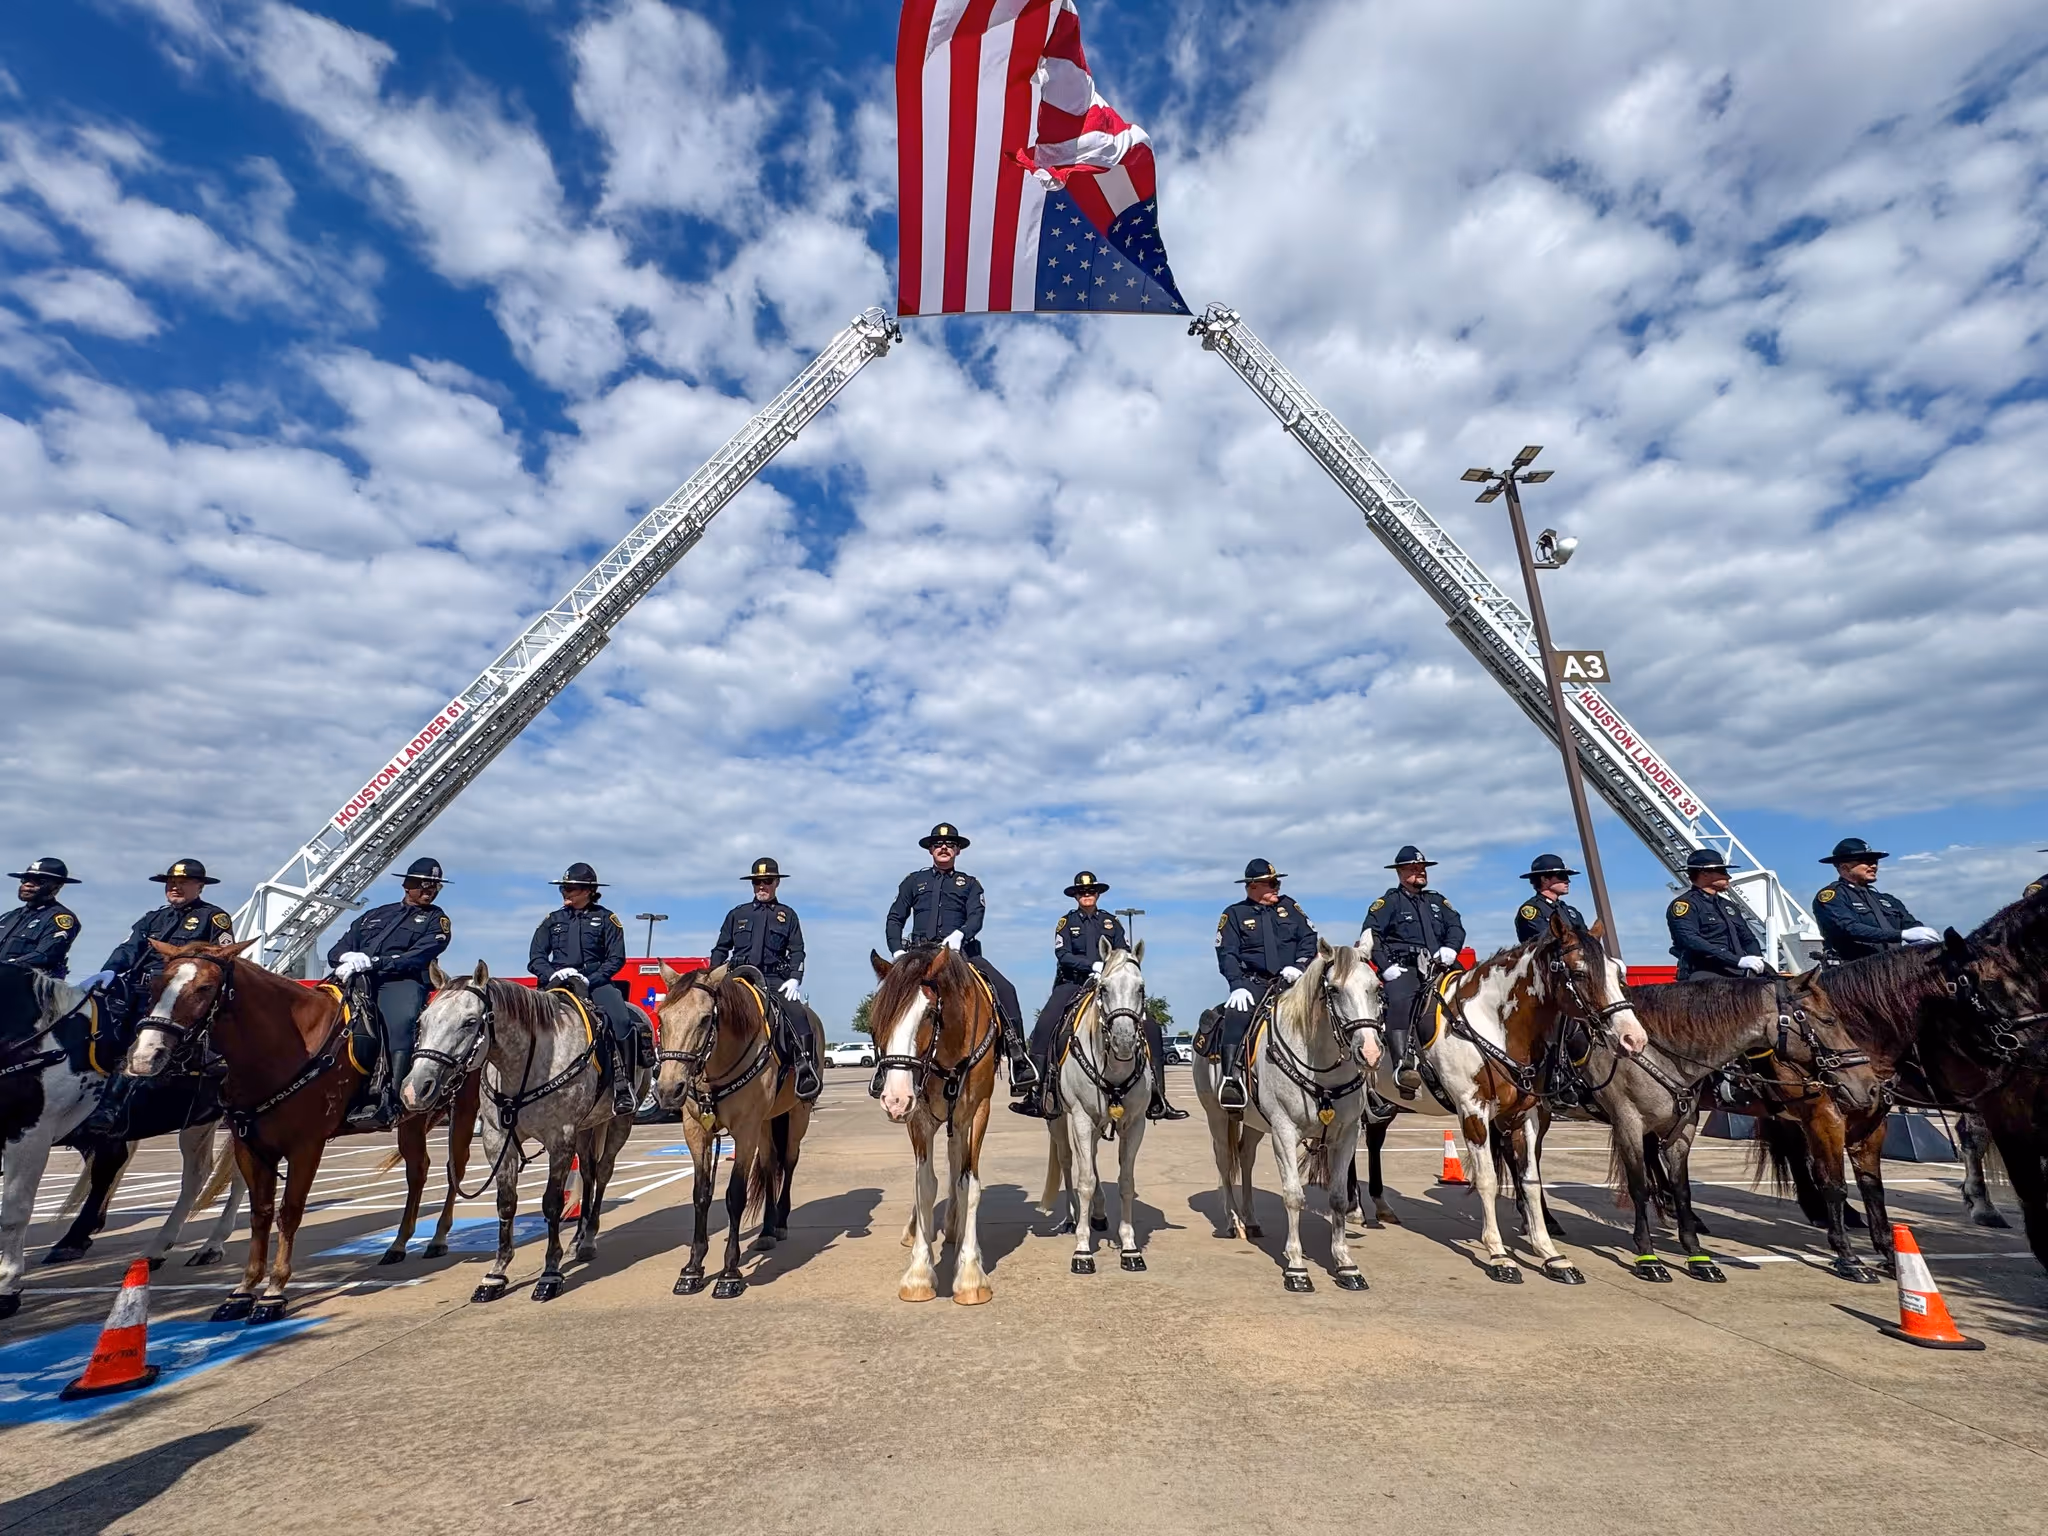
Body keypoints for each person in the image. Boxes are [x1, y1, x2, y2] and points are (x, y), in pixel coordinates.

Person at [74, 859, 236, 1138]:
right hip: (138, 990)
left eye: (182, 883)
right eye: (171, 883)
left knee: (141, 1041)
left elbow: (219, 959)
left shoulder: (214, 918)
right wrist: (110, 970)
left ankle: (109, 1109)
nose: (174, 887)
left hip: (177, 995)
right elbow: (129, 947)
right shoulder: (153, 918)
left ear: (200, 886)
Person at [1013, 872, 1185, 1122]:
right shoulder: (1066, 922)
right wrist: (1091, 966)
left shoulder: (1111, 922)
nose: (1087, 895)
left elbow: (1124, 952)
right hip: (1073, 983)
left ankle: (1158, 1096)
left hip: (1109, 984)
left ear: (1098, 894)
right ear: (1075, 895)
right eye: (1082, 892)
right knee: (1045, 1025)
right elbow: (1062, 955)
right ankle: (1036, 1094)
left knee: (1151, 1028)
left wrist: (1113, 971)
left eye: (1091, 891)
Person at [884, 823, 1036, 1092]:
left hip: (961, 954)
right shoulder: (913, 882)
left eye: (950, 845)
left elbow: (977, 916)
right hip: (921, 957)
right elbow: (896, 916)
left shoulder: (970, 884)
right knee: (889, 999)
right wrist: (896, 950)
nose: (944, 848)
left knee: (1006, 990)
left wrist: (960, 934)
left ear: (957, 851)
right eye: (938, 844)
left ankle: (1017, 1057)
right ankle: (883, 1066)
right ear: (931, 850)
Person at [328, 857, 452, 1127]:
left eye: (434, 886)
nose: (429, 890)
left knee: (402, 1022)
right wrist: (345, 957)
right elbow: (337, 949)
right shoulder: (374, 915)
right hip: (357, 978)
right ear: (407, 885)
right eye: (423, 884)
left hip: (401, 981)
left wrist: (376, 962)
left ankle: (393, 1099)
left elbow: (419, 956)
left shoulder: (437, 921)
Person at [529, 863, 643, 1117]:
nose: (565, 893)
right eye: (563, 888)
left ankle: (623, 1086)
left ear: (589, 891)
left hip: (595, 982)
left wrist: (591, 978)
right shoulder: (552, 920)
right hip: (557, 982)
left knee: (622, 1022)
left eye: (571, 888)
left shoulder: (606, 919)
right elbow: (535, 956)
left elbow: (616, 958)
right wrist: (550, 974)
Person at [1211, 858, 1318, 1112]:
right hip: (1255, 982)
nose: (1276, 887)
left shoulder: (1290, 907)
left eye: (1276, 882)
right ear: (1252, 887)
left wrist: (1300, 966)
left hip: (1292, 980)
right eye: (1270, 883)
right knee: (1236, 1016)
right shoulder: (1234, 914)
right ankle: (1231, 1079)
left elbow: (1309, 937)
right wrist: (1237, 984)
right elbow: (1227, 953)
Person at [709, 856, 818, 1101]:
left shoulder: (787, 915)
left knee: (798, 1015)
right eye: (757, 882)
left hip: (773, 978)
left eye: (767, 881)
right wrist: (713, 975)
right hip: (738, 978)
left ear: (776, 882)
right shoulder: (737, 914)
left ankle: (805, 1069)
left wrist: (794, 978)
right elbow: (720, 949)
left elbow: (797, 950)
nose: (761, 886)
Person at [1363, 845, 1466, 1097]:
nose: (1420, 872)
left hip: (1441, 964)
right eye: (1413, 868)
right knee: (1399, 999)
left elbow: (1456, 927)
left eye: (1422, 868)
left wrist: (1452, 948)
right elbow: (1371, 935)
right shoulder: (1388, 903)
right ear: (1400, 872)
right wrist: (1385, 968)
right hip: (1405, 968)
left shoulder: (1437, 901)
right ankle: (1402, 1066)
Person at [1812, 837, 1938, 963]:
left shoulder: (1887, 899)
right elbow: (1848, 928)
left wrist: (1924, 936)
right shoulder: (1833, 897)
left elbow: (1911, 926)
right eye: (1866, 861)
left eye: (1875, 861)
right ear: (1844, 867)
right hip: (1851, 973)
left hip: (1894, 968)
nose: (1873, 866)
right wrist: (1900, 935)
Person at [1666, 849, 1767, 980]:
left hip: (1736, 971)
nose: (1728, 877)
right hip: (1704, 972)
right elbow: (1690, 940)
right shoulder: (1685, 905)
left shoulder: (1728, 905)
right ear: (1705, 874)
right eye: (1722, 871)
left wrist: (1756, 959)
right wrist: (1737, 960)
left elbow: (1747, 937)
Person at [0, 857, 83, 977]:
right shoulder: (7, 917)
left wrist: (5, 965)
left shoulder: (60, 918)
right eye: (25, 879)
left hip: (29, 988)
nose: (28, 884)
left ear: (57, 886)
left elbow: (45, 956)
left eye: (40, 881)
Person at [1515, 853, 1589, 944]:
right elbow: (1548, 941)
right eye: (1562, 876)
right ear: (1544, 879)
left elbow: (1587, 940)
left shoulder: (1570, 911)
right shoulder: (1531, 910)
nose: (1567, 881)